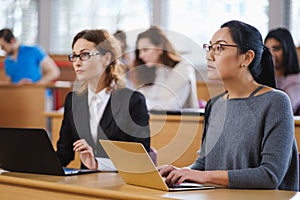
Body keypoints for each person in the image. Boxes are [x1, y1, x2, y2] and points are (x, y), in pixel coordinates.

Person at [159, 20, 299, 191]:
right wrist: (180, 172)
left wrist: (203, 176)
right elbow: (203, 165)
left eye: (219, 48)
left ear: (247, 58)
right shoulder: (214, 105)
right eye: (209, 47)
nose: (209, 55)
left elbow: (270, 176)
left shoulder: (276, 102)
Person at [56, 29, 150, 170]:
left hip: (120, 184)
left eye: (84, 55)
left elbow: (139, 158)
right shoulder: (73, 100)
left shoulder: (133, 101)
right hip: (86, 183)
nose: (77, 62)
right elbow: (64, 154)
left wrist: (97, 164)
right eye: (74, 56)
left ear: (106, 58)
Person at [132, 26, 198, 110]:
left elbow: (172, 106)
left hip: (180, 121)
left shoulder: (183, 69)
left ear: (159, 48)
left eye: (145, 50)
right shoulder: (152, 72)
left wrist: (140, 102)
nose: (141, 55)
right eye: (139, 51)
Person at [264, 28, 300, 115]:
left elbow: (284, 108)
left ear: (287, 50)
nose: (271, 53)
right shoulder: (260, 78)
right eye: (267, 49)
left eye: (276, 48)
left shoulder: (296, 80)